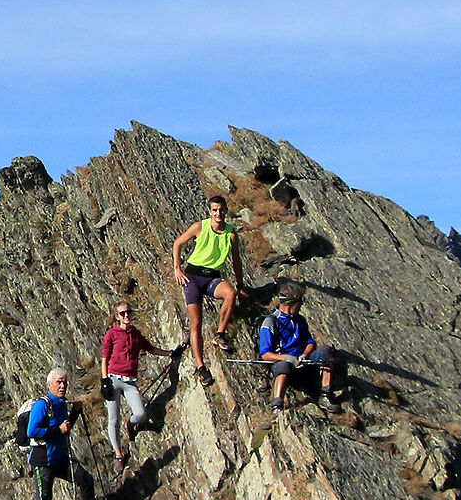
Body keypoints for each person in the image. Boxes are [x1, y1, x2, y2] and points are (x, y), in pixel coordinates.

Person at [21, 367, 106, 500]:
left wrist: (74, 414)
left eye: (64, 382)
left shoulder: (60, 404)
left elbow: (65, 428)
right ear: (49, 384)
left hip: (60, 458)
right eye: (58, 382)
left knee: (85, 480)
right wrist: (58, 430)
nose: (62, 386)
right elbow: (31, 431)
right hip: (43, 460)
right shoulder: (42, 405)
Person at [169, 195, 245, 368]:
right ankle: (200, 366)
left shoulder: (231, 234)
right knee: (196, 324)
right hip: (192, 277)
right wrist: (177, 268)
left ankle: (220, 333)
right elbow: (178, 243)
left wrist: (240, 284)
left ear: (226, 210)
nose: (218, 213)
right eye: (215, 210)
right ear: (210, 211)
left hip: (213, 277)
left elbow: (236, 261)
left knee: (230, 293)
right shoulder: (200, 227)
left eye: (221, 210)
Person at [97, 300, 171, 475]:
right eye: (122, 313)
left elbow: (151, 349)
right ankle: (118, 455)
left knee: (141, 414)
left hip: (130, 381)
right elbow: (104, 359)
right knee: (112, 419)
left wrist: (170, 353)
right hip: (113, 379)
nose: (126, 316)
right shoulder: (111, 334)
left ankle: (129, 425)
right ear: (117, 317)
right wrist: (104, 380)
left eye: (128, 312)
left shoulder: (136, 334)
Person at [257, 281, 337, 407]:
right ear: (292, 303)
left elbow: (310, 342)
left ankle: (325, 394)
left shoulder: (300, 320)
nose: (300, 306)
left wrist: (304, 355)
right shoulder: (270, 322)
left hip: (304, 362)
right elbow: (265, 354)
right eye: (299, 303)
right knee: (284, 366)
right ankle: (277, 404)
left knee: (326, 351)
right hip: (284, 364)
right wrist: (288, 358)